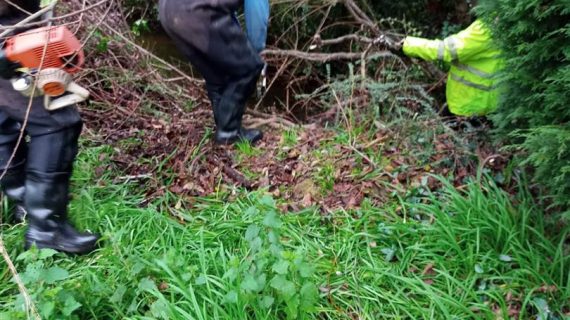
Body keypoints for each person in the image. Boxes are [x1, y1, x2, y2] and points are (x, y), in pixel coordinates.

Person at [0, 0, 99, 254]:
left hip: (18, 25)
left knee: (4, 122)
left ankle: (22, 199)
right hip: (9, 38)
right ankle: (46, 232)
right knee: (57, 123)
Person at [159, 0, 270, 145]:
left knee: (216, 76)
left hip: (169, 13)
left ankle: (223, 128)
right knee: (248, 69)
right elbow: (257, 19)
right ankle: (229, 132)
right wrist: (255, 54)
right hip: (197, 13)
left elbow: (226, 14)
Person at [401, 19, 502, 117]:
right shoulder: (507, 23)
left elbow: (448, 51)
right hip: (489, 104)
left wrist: (408, 44)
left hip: (470, 105)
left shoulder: (488, 27)